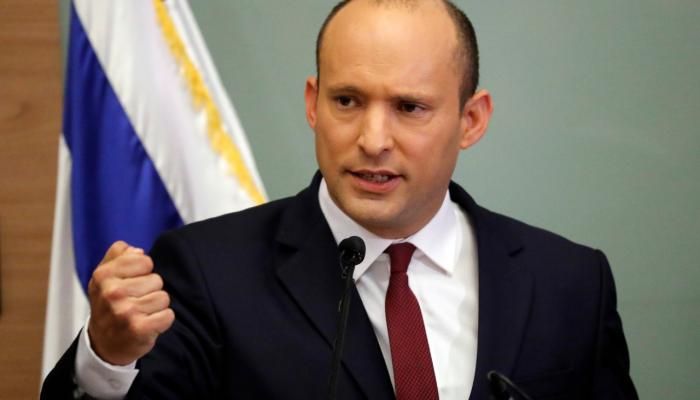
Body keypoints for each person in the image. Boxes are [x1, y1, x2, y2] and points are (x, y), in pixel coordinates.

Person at [42, 0, 638, 399]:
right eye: (347, 101)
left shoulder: (570, 283)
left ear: (471, 120)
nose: (372, 140)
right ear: (313, 103)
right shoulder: (207, 272)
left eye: (409, 107)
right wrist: (107, 360)